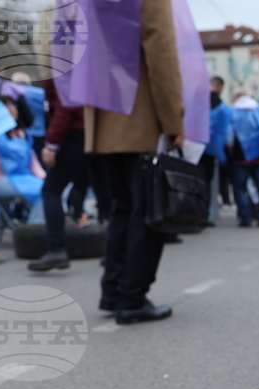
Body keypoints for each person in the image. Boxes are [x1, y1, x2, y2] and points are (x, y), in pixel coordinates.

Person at [84, 0, 185, 324]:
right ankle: (133, 297)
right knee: (147, 212)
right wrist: (174, 121)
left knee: (122, 208)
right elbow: (161, 51)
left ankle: (113, 292)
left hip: (104, 113)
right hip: (140, 115)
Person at [27, 79, 94, 271]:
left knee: (51, 190)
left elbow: (66, 105)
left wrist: (52, 143)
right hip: (96, 130)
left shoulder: (62, 62)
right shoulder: (87, 56)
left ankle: (56, 249)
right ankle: (119, 251)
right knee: (105, 191)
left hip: (75, 133)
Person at [0, 96, 45, 223]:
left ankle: (36, 229)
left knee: (49, 190)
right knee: (45, 192)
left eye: (14, 105)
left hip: (24, 178)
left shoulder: (21, 132)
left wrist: (42, 176)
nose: (12, 109)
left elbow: (32, 159)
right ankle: (33, 233)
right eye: (6, 106)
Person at [227, 88, 259, 228]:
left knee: (240, 188)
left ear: (236, 97)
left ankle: (246, 217)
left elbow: (229, 136)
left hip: (241, 156)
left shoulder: (233, 111)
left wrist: (231, 152)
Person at [201, 81, 232, 226]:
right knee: (207, 183)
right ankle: (206, 215)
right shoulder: (222, 108)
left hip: (195, 147)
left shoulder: (198, 104)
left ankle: (197, 213)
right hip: (213, 150)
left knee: (196, 182)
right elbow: (228, 133)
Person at [209, 77, 233, 206]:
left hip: (198, 146)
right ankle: (211, 210)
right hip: (217, 148)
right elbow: (229, 132)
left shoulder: (199, 100)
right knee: (219, 178)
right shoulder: (223, 107)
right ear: (220, 88)